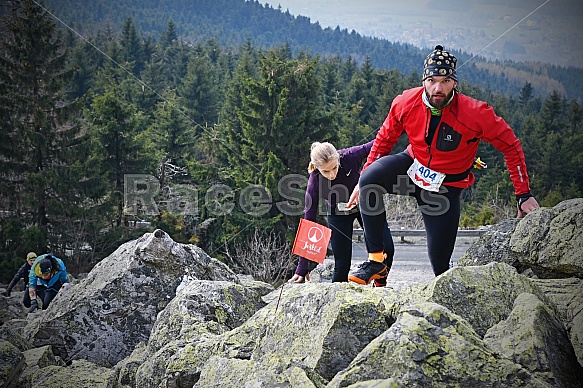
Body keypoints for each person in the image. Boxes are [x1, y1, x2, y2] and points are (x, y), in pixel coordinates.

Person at [347, 45, 540, 285]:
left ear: (455, 83)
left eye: (446, 80)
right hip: (412, 166)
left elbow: (511, 145)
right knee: (369, 180)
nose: (438, 88)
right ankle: (377, 261)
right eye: (432, 80)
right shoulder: (405, 102)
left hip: (445, 185)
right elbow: (384, 140)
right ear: (424, 81)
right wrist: (362, 179)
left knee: (440, 266)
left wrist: (523, 193)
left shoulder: (476, 113)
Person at [290, 140, 394, 285]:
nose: (332, 174)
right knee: (342, 263)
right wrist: (302, 268)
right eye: (326, 171)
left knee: (387, 248)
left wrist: (403, 125)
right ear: (316, 168)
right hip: (337, 214)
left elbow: (380, 142)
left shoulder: (350, 156)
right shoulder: (314, 182)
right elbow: (309, 222)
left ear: (338, 158)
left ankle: (380, 284)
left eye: (334, 167)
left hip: (364, 205)